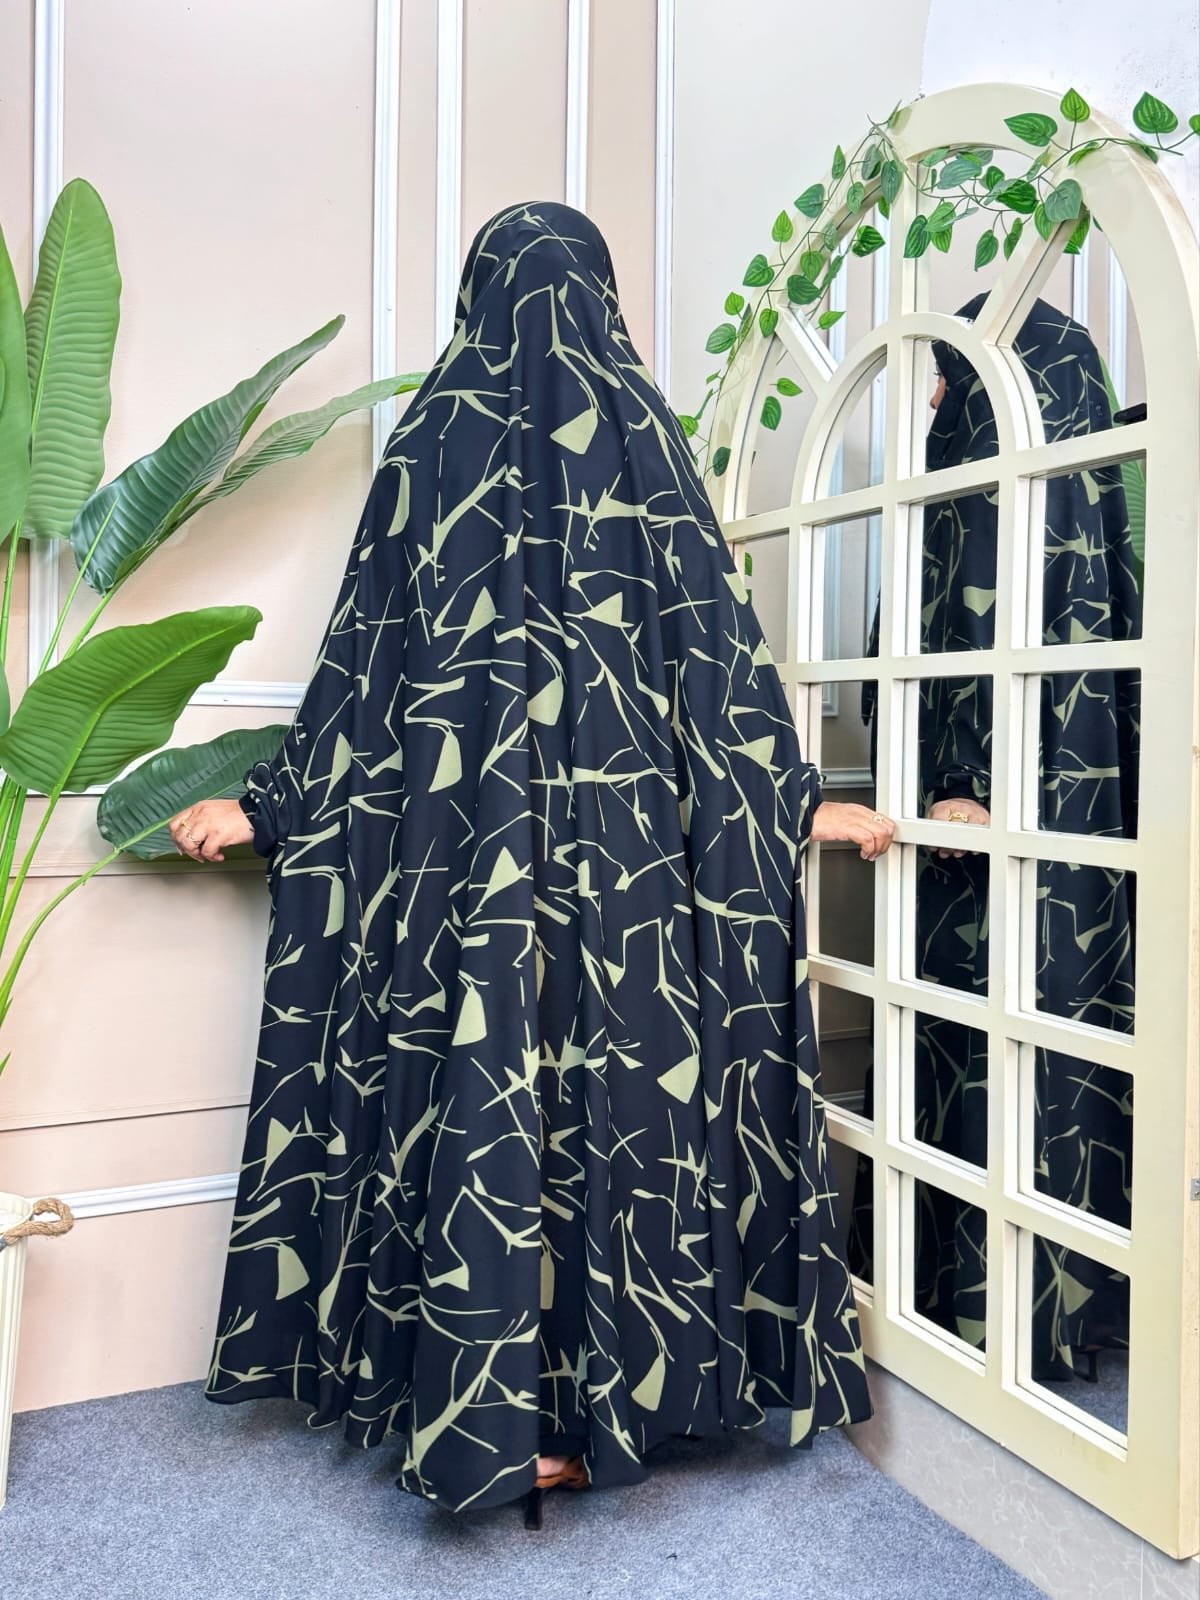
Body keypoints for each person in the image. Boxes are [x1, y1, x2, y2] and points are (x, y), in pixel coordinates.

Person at [170, 202, 894, 1525]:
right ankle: (586, 1411)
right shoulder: (644, 438)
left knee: (481, 1105)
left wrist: (279, 806)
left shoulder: (437, 436)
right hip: (632, 873)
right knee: (623, 1110)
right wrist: (791, 802)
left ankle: (491, 1413)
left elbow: (365, 675)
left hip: (465, 865)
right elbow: (719, 674)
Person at [851, 294, 1138, 1383]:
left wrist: (954, 781)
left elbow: (948, 641)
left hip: (973, 834)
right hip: (1086, 839)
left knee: (981, 1048)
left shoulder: (982, 492)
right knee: (1058, 1040)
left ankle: (971, 1303)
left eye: (950, 374)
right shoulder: (1099, 492)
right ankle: (1054, 1304)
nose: (933, 397)